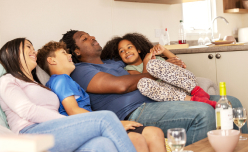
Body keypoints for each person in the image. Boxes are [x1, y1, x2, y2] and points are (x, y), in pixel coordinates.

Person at [60, 30, 248, 146]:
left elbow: (137, 72)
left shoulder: (113, 63)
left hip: (157, 98)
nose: (92, 37)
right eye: (85, 38)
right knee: (203, 112)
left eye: (89, 34)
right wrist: (153, 72)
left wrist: (166, 66)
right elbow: (122, 86)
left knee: (232, 103)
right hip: (134, 112)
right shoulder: (81, 70)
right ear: (76, 51)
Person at [0, 38, 137, 152]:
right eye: (28, 47)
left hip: (53, 130)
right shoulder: (7, 80)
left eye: (33, 47)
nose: (33, 51)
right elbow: (27, 110)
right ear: (10, 52)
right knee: (106, 118)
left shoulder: (38, 84)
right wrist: (66, 121)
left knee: (101, 144)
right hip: (30, 134)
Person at [36, 41, 166, 152]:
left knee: (155, 133)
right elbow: (73, 110)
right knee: (137, 139)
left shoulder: (65, 80)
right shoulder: (61, 80)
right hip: (88, 127)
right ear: (52, 60)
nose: (69, 55)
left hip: (94, 123)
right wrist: (114, 123)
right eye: (64, 53)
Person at [101, 33, 216, 108]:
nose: (126, 51)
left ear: (139, 49)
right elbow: (143, 78)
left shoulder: (156, 59)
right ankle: (195, 100)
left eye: (129, 47)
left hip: (187, 85)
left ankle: (197, 91)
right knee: (143, 83)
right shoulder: (129, 70)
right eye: (122, 51)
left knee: (154, 64)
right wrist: (146, 62)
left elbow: (180, 65)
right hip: (172, 94)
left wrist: (164, 50)